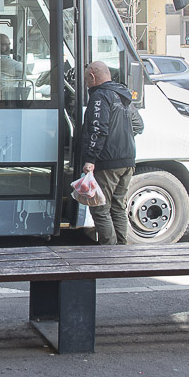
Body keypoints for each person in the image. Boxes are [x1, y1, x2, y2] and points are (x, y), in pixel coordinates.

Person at [81, 60, 143, 245]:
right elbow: (138, 125)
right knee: (117, 207)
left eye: (85, 78)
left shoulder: (100, 96)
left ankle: (109, 252)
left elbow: (98, 129)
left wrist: (90, 158)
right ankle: (121, 250)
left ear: (92, 76)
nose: (85, 83)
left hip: (107, 161)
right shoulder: (123, 95)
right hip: (128, 160)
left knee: (100, 208)